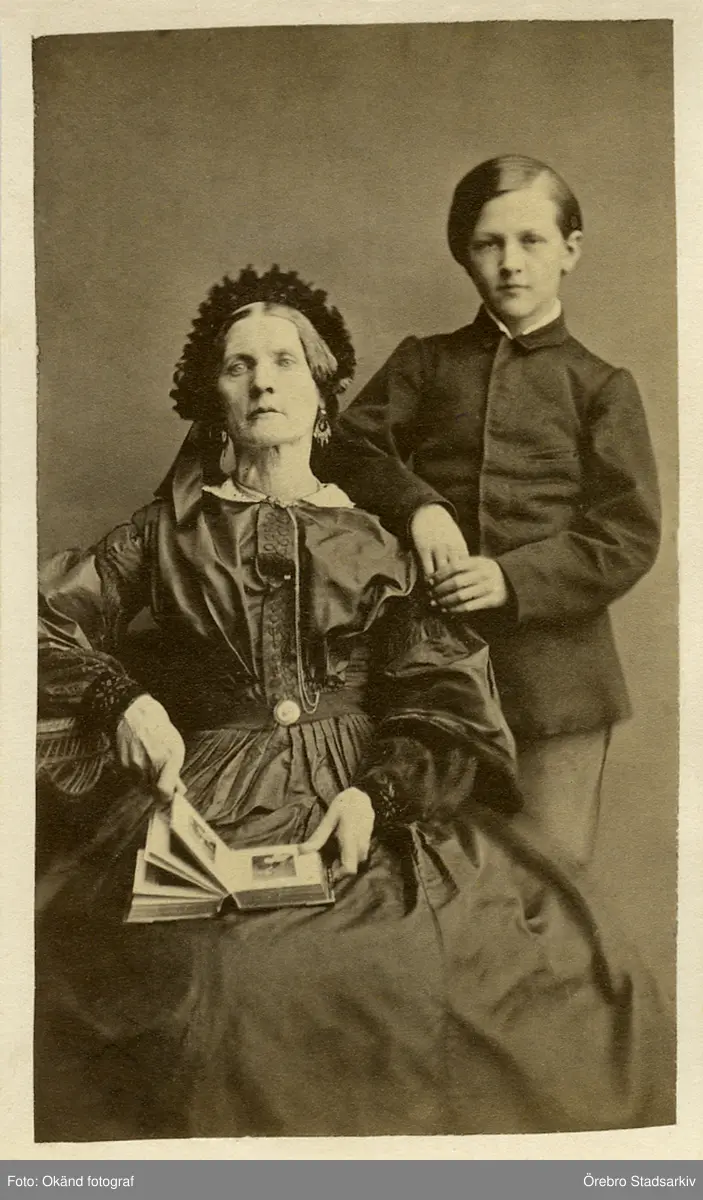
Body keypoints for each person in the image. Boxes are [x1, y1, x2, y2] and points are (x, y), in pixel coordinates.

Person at [36, 266, 672, 1142]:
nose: (263, 382)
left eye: (285, 363)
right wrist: (122, 700)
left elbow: (438, 699)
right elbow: (31, 616)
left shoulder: (378, 542)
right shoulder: (163, 534)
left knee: (445, 968)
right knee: (212, 978)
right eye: (238, 366)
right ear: (213, 399)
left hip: (360, 794)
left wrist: (376, 797)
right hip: (205, 792)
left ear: (323, 393)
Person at [325, 155, 662, 866]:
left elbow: (626, 533)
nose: (510, 262)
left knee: (546, 884)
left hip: (557, 689)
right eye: (488, 243)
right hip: (427, 677)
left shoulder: (600, 386)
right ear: (464, 254)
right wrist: (420, 508)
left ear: (570, 249)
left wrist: (513, 578)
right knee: (430, 880)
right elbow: (344, 448)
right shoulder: (425, 363)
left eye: (531, 240)